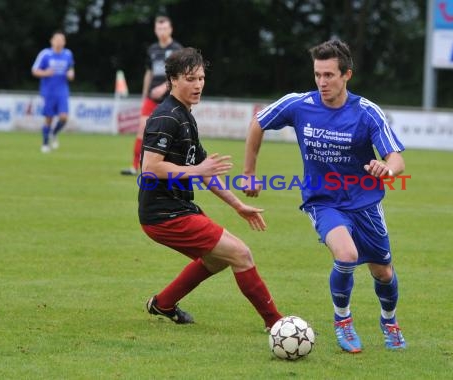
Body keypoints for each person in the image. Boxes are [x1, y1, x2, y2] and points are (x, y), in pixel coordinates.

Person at [243, 40, 406, 353]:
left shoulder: (366, 112)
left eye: (329, 75)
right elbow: (258, 122)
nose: (322, 82)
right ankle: (343, 321)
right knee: (345, 255)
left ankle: (390, 321)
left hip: (365, 202)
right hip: (322, 200)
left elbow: (396, 157)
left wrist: (387, 168)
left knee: (383, 271)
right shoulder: (299, 104)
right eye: (318, 74)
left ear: (347, 75)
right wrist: (249, 172)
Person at [139, 47, 283, 330]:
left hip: (178, 208)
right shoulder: (166, 116)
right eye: (191, 79)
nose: (198, 85)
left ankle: (163, 303)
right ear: (173, 80)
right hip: (164, 214)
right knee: (241, 254)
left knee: (217, 260)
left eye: (201, 78)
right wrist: (196, 171)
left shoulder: (185, 116)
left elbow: (206, 170)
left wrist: (237, 205)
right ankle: (277, 324)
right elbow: (150, 169)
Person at [121, 15, 183, 175]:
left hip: (171, 98)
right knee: (142, 129)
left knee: (169, 133)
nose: (162, 31)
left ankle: (170, 167)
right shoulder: (152, 49)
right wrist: (145, 94)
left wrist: (165, 87)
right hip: (152, 98)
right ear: (155, 30)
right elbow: (148, 73)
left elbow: (181, 75)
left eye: (165, 28)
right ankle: (135, 166)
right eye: (159, 28)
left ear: (170, 29)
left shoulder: (177, 49)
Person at [31, 31, 75, 153]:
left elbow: (71, 69)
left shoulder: (68, 54)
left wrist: (71, 74)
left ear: (64, 42)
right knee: (48, 118)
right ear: (52, 41)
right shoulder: (45, 54)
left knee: (64, 117)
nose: (59, 42)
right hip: (48, 91)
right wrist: (45, 73)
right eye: (57, 39)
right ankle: (45, 144)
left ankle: (54, 133)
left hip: (62, 90)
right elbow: (34, 70)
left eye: (62, 40)